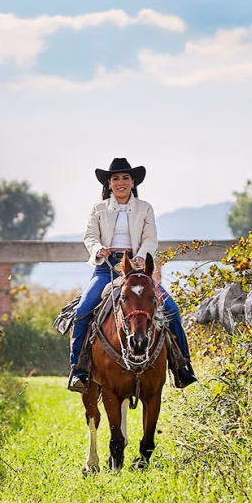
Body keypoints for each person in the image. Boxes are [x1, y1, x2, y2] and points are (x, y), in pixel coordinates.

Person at [68, 157, 196, 393]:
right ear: (108, 183)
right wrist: (99, 250)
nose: (120, 182)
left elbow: (150, 237)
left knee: (172, 309)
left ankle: (182, 366)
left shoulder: (145, 208)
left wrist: (142, 255)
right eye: (115, 178)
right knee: (83, 310)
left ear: (133, 181)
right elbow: (90, 236)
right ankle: (79, 369)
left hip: (137, 270)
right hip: (106, 267)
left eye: (125, 178)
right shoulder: (98, 209)